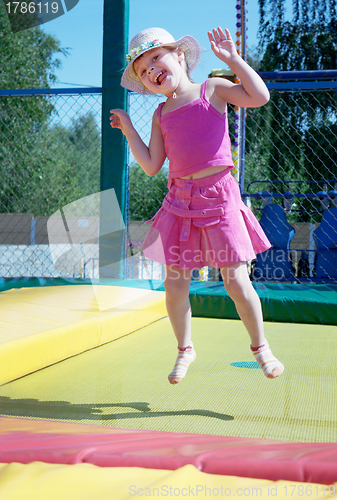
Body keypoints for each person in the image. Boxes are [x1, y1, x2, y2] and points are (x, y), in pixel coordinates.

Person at [110, 26, 284, 384]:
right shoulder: (160, 115)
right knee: (174, 284)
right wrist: (129, 130)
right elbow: (151, 165)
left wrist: (234, 60)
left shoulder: (213, 89)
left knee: (235, 281)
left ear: (179, 56)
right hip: (180, 203)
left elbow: (260, 96)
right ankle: (184, 348)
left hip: (219, 197)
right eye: (144, 70)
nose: (152, 70)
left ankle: (261, 347)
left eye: (156, 58)